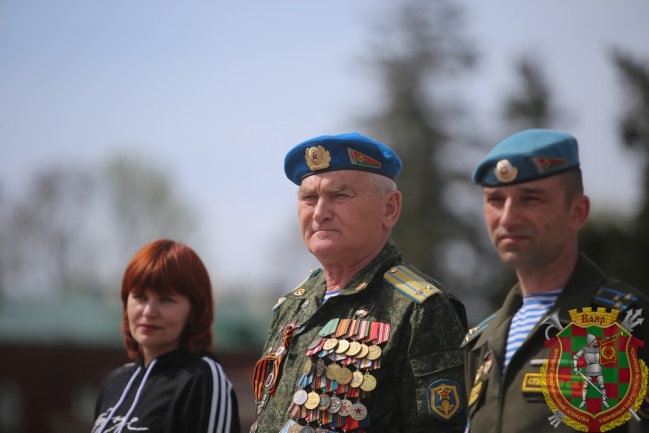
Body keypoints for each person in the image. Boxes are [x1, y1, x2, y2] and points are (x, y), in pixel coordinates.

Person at [250, 132, 468, 433]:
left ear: (389, 209)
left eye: (340, 195)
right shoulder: (292, 306)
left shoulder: (419, 309)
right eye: (309, 198)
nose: (320, 213)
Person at [463, 129, 649, 432]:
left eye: (530, 199)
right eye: (495, 200)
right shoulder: (482, 341)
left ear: (577, 212)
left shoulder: (625, 322)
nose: (507, 218)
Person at [92, 239, 241, 433]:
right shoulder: (113, 383)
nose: (148, 311)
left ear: (194, 311)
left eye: (165, 299)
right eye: (140, 297)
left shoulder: (202, 378)